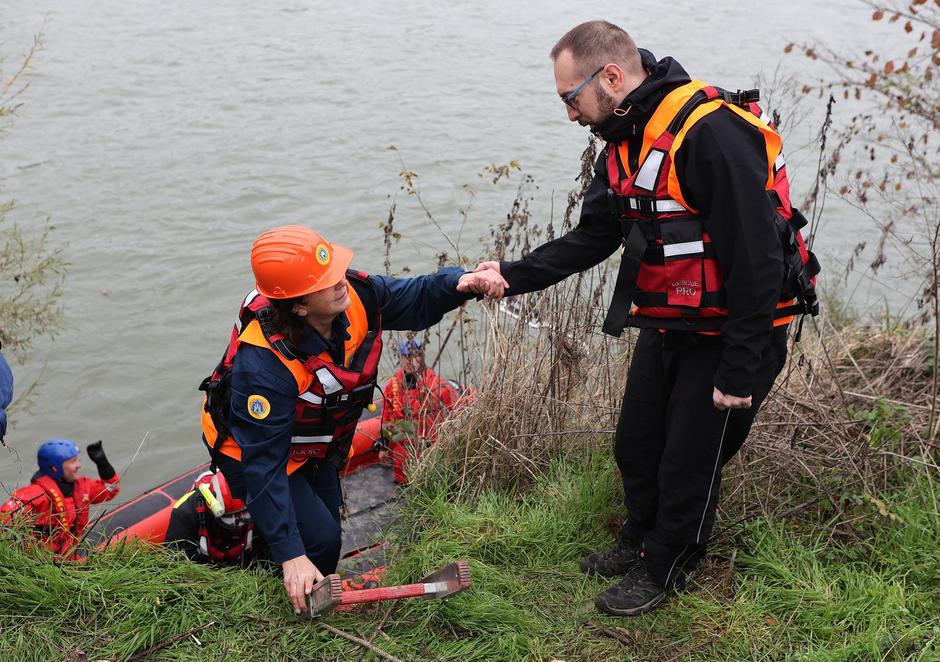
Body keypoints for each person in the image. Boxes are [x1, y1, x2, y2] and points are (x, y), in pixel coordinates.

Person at [474, 21, 818, 615]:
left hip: (737, 332)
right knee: (637, 443)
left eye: (569, 98)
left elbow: (757, 259)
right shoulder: (625, 139)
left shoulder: (711, 134)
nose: (570, 114)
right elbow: (596, 236)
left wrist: (740, 368)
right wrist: (513, 273)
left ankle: (669, 566)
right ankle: (639, 542)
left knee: (690, 457)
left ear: (610, 77)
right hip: (672, 321)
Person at [199, 224, 506, 614]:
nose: (340, 282)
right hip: (250, 450)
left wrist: (460, 281)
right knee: (317, 541)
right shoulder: (263, 366)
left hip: (313, 441)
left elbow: (412, 296)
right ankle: (289, 595)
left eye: (337, 271)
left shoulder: (352, 298)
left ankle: (298, 584)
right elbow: (264, 467)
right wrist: (292, 554)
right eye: (327, 281)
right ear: (297, 305)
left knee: (327, 527)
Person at [1, 439, 121, 558]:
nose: (79, 465)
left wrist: (103, 464)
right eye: (73, 461)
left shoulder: (82, 486)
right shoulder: (37, 493)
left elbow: (110, 490)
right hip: (45, 560)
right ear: (55, 468)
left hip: (71, 552)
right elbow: (4, 518)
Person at [381, 338, 463, 484]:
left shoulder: (436, 386)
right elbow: (387, 417)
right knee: (402, 484)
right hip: (403, 448)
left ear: (421, 358)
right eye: (406, 356)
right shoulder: (392, 386)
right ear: (400, 358)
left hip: (428, 449)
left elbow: (457, 412)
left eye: (414, 356)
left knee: (429, 485)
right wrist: (384, 446)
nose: (409, 361)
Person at [164, 470, 255, 566]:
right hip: (205, 564)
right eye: (230, 518)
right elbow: (176, 557)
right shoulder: (184, 513)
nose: (238, 525)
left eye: (243, 516)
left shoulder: (258, 501)